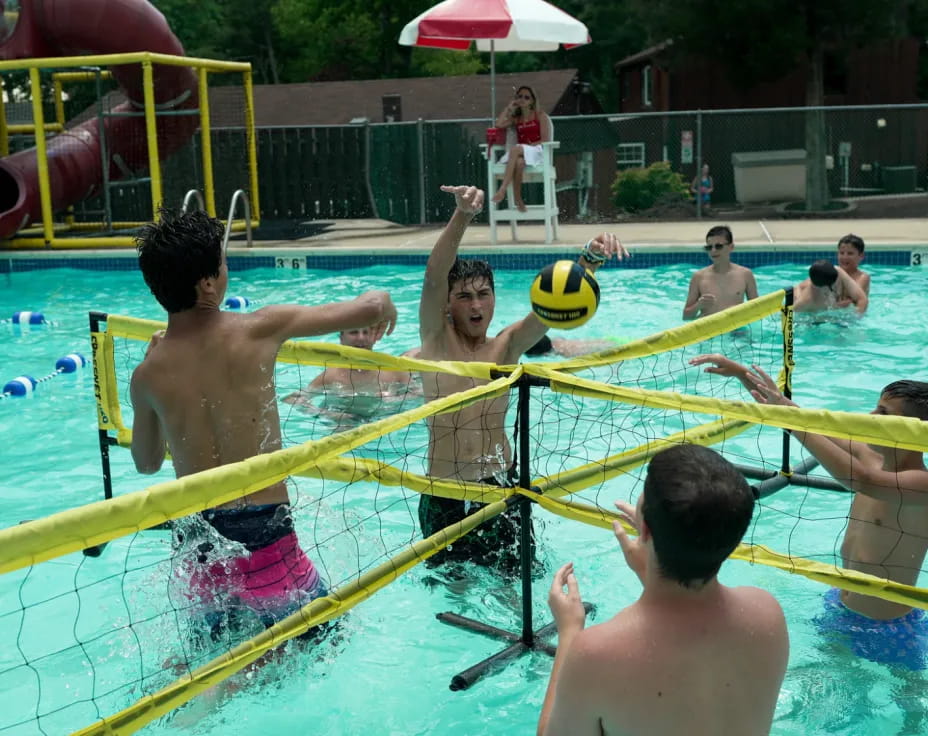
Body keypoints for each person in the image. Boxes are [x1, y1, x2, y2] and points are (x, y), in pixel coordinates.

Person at [130, 209, 397, 640]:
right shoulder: (258, 330)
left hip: (198, 544)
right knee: (325, 641)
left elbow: (146, 463)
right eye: (223, 263)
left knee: (216, 657)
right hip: (266, 538)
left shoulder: (147, 375)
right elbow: (369, 308)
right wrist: (385, 300)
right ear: (208, 283)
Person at [418, 184, 626, 569]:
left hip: (500, 487)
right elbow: (434, 277)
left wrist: (589, 260)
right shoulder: (435, 340)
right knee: (453, 590)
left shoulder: (507, 345)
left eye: (484, 294)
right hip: (444, 493)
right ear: (447, 305)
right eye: (464, 296)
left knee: (517, 585)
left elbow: (553, 306)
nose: (476, 304)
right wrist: (463, 215)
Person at [690, 353, 928, 670]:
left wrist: (792, 422)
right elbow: (803, 419)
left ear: (915, 430)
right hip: (840, 605)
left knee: (908, 696)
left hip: (889, 625)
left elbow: (861, 480)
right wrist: (743, 375)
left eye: (883, 413)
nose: (870, 417)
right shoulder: (869, 455)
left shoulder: (920, 484)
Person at [537, 444, 789, 736]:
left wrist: (569, 632)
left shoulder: (596, 653)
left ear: (644, 530)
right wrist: (652, 565)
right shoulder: (767, 615)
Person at [283, 327, 413, 420]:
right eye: (354, 332)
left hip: (386, 419)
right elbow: (292, 399)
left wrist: (396, 400)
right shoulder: (331, 376)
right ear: (341, 338)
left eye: (366, 332)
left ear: (374, 338)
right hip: (345, 423)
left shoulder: (393, 369)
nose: (361, 337)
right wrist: (327, 414)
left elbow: (419, 393)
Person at [490, 85, 553, 212]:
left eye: (526, 97)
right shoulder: (516, 118)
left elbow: (545, 140)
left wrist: (529, 146)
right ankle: (518, 198)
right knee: (519, 163)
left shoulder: (540, 115)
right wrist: (509, 108)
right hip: (521, 153)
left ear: (532, 101)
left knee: (515, 149)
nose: (523, 99)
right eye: (520, 97)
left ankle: (502, 189)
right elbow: (498, 124)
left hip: (537, 151)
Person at [682, 225, 758, 320]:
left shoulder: (745, 275)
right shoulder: (699, 277)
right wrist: (698, 305)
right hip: (710, 327)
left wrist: (740, 312)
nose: (713, 250)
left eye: (718, 246)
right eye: (709, 247)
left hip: (737, 328)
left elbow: (757, 311)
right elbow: (686, 317)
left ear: (731, 247)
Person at [793, 260, 868, 316]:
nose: (833, 287)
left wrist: (856, 320)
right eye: (831, 286)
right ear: (823, 288)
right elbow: (789, 318)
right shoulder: (805, 301)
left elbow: (862, 299)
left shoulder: (838, 272)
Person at [524, 335, 626, 358]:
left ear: (545, 354)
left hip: (614, 350)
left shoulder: (566, 354)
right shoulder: (557, 340)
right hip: (610, 340)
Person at [836, 234, 871, 298]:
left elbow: (855, 299)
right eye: (841, 253)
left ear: (861, 256)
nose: (845, 257)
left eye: (850, 253)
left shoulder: (863, 277)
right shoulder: (833, 274)